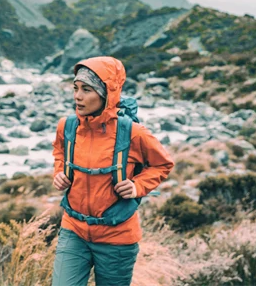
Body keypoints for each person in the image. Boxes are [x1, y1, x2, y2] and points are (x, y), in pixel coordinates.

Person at [51, 57, 174, 286]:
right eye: (75, 88)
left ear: (107, 92)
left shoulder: (134, 133)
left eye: (87, 90)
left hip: (117, 237)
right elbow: (59, 151)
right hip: (73, 228)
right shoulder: (67, 126)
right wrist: (60, 171)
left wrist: (138, 186)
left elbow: (163, 164)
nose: (77, 96)